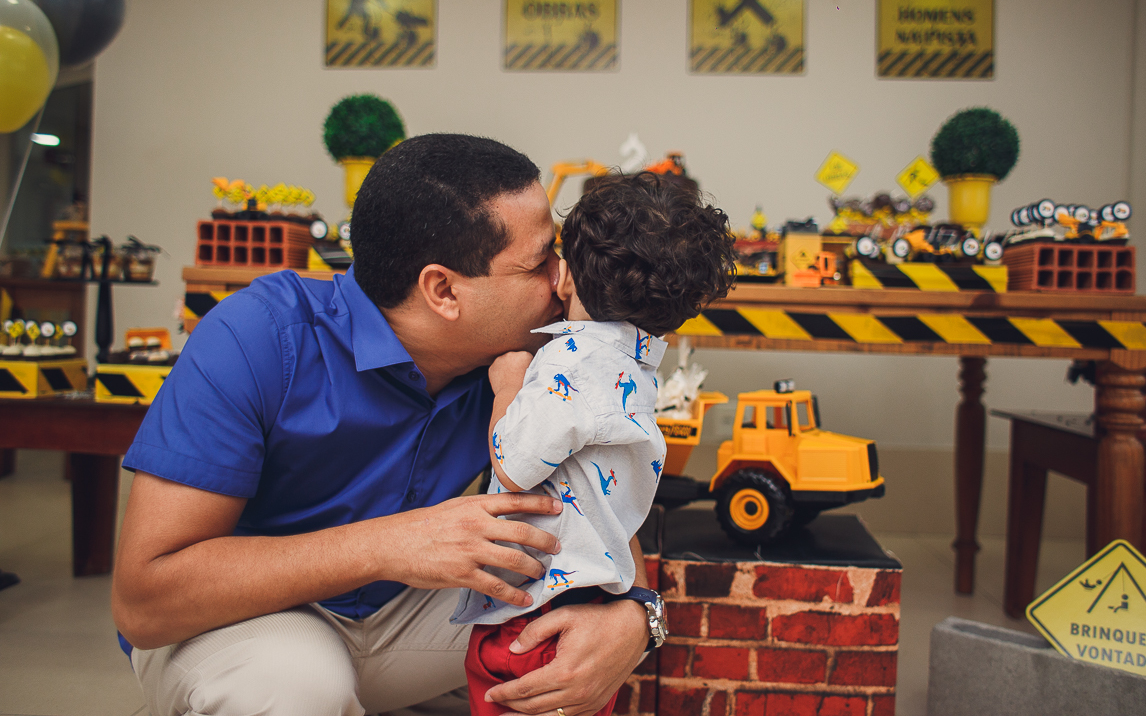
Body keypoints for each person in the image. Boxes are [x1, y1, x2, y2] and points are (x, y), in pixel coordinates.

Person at [111, 135, 665, 716]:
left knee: (566, 644)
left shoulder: (532, 362)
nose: (564, 279)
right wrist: (386, 545)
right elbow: (146, 602)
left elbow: (600, 515)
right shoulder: (257, 337)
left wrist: (634, 619)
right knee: (294, 686)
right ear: (444, 290)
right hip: (237, 620)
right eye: (540, 263)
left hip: (405, 612)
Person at [454, 175, 735, 716]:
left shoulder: (570, 363)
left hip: (532, 615)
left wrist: (509, 381)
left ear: (564, 278)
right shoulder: (638, 362)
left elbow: (513, 465)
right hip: (595, 604)